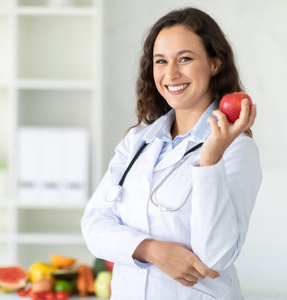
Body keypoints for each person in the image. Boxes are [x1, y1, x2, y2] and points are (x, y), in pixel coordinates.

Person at [81, 7, 262, 300]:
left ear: (215, 63)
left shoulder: (237, 150)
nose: (171, 73)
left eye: (185, 59)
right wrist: (152, 250)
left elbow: (215, 256)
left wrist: (210, 161)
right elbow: (94, 225)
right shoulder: (138, 142)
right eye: (161, 61)